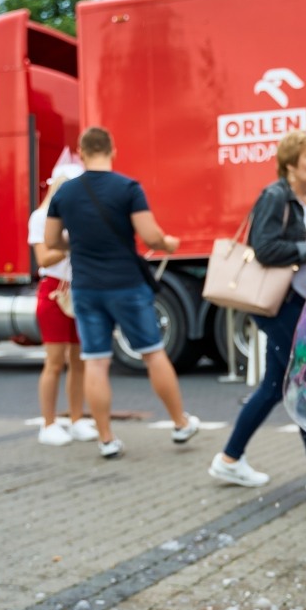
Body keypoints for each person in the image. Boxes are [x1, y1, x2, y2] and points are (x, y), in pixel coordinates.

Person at [210, 130, 306, 492]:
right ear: (291, 163)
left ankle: (230, 459)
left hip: (303, 305)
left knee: (276, 387)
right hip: (282, 306)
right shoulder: (275, 196)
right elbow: (263, 247)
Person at [45, 126, 199, 459]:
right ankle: (179, 423)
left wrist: (80, 240)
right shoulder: (128, 188)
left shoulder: (64, 194)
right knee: (153, 353)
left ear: (81, 152)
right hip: (126, 285)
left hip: (86, 288)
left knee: (96, 362)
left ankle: (106, 439)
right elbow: (151, 236)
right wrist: (168, 242)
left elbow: (53, 242)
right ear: (112, 150)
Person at [28, 162, 98, 447]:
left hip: (79, 290)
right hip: (54, 292)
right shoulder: (40, 217)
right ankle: (48, 423)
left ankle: (77, 419)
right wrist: (70, 241)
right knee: (55, 362)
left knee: (79, 361)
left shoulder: (80, 216)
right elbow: (43, 259)